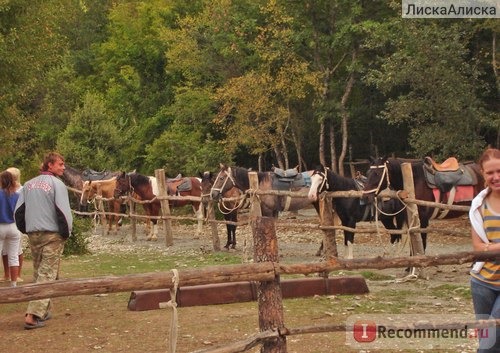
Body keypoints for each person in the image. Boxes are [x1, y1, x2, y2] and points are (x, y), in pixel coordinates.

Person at [15, 152, 73, 330]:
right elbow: (63, 211)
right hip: (52, 234)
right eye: (60, 164)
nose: (63, 167)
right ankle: (32, 315)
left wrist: (26, 229)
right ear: (50, 165)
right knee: (46, 274)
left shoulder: (28, 184)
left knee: (40, 271)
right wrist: (66, 233)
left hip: (34, 234)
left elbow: (19, 211)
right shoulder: (57, 184)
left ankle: (44, 309)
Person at [470, 147, 500, 352]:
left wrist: (492, 247)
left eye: (499, 171)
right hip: (482, 283)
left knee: (489, 345)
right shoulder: (478, 205)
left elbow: (485, 245)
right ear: (483, 173)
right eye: (490, 173)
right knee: (487, 339)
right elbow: (478, 247)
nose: (495, 177)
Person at [0, 170, 22, 287]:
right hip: (13, 227)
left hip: (1, 225)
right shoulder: (17, 195)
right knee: (13, 256)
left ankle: (5, 276)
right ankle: (14, 284)